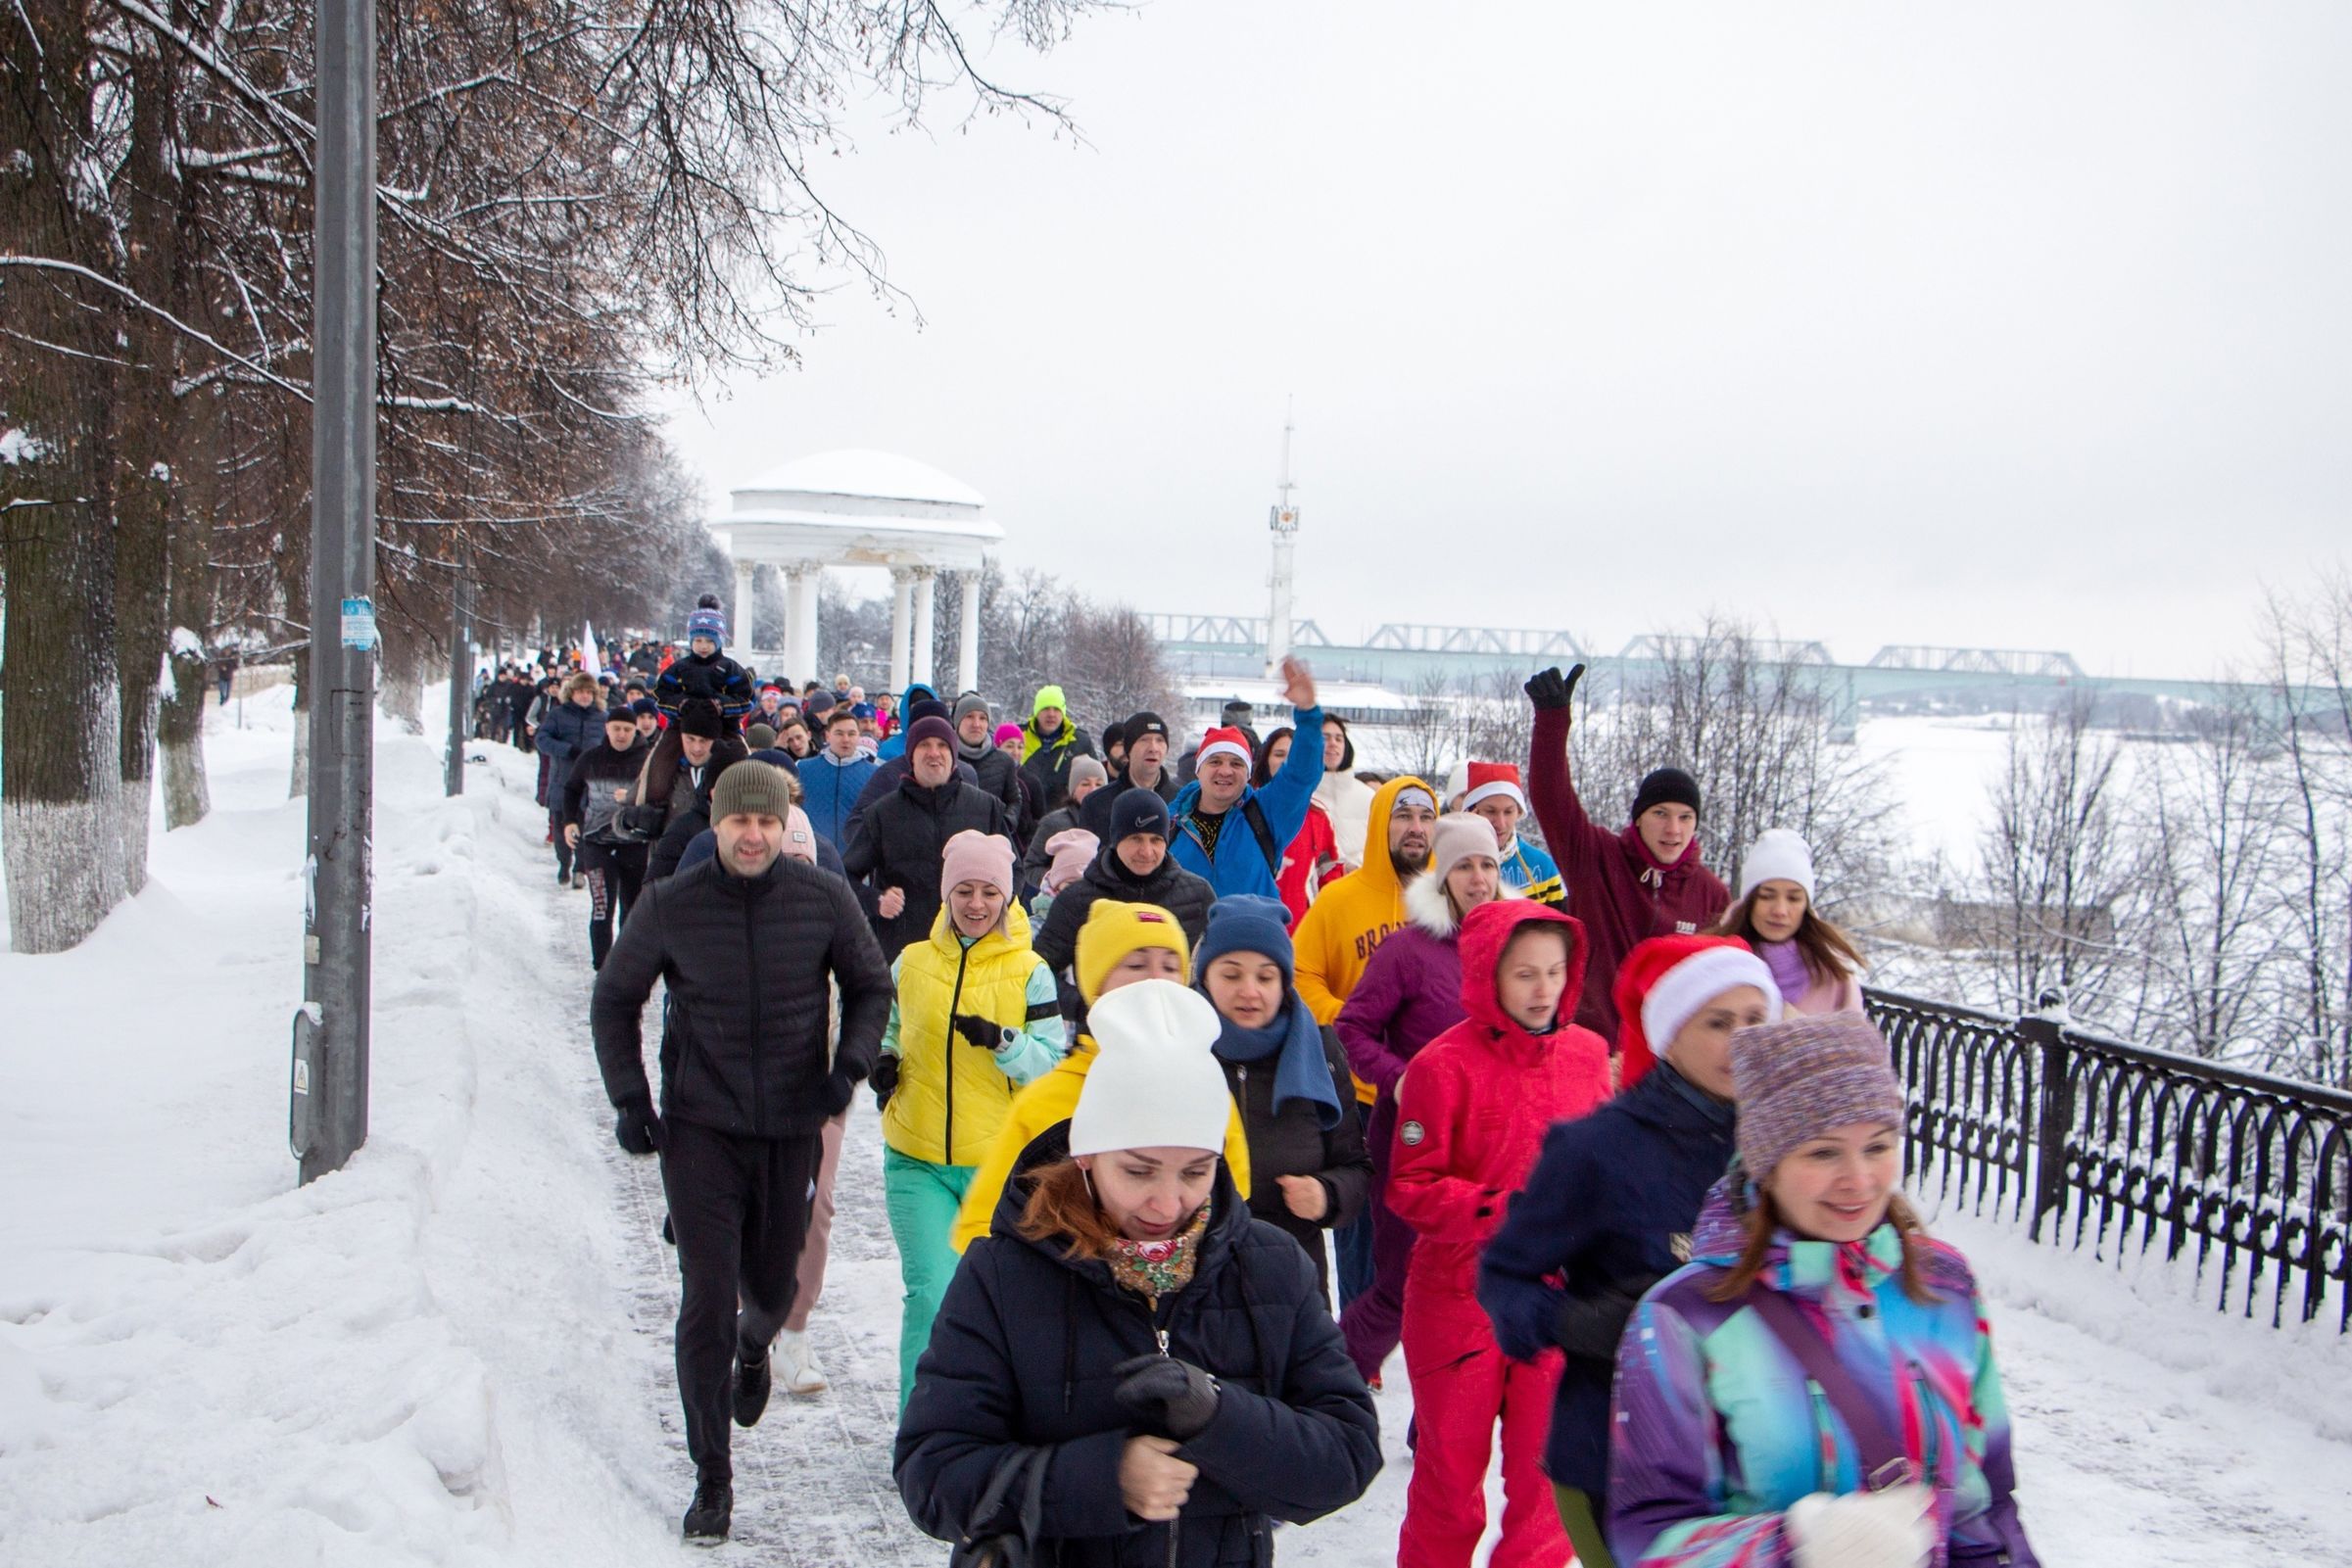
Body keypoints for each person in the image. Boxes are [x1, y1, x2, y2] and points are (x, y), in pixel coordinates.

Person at [897, 978, 1381, 1567]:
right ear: (1088, 1156)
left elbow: (1348, 1455)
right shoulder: (1003, 1275)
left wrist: (1218, 1414)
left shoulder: (1269, 1266)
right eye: (1138, 1171)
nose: (1167, 1204)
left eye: (1196, 1171)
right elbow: (932, 1471)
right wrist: (1104, 1480)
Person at [1608, 1013, 2040, 1568]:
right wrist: (1799, 1545)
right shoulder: (1685, 1316)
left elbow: (1985, 1505)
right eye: (1823, 1152)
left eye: (1878, 1146)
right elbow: (1645, 1540)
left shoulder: (1944, 1286)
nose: (1859, 1180)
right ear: (1768, 1162)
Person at [591, 761, 892, 1544]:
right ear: (718, 826)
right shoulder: (672, 902)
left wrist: (848, 1066)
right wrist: (632, 1098)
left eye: (766, 822)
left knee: (769, 1288)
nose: (753, 835)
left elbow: (870, 985)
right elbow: (616, 997)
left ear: (782, 825)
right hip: (701, 1126)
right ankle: (712, 1478)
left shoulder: (821, 896)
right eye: (738, 822)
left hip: (792, 1121)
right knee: (704, 1296)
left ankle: (756, 1347)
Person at [1476, 936, 1779, 1567]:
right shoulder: (1597, 1151)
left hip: (1761, 1459)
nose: (1742, 1041)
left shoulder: (1787, 1147)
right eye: (1717, 1022)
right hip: (1618, 1460)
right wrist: (1579, 1323)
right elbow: (1504, 1279)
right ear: (1670, 1033)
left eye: (1755, 1020)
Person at [1388, 900, 1610, 1568]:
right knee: (1449, 1488)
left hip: (1556, 1305)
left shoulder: (1587, 1055)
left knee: (1546, 1489)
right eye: (1523, 974)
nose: (1542, 990)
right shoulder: (1439, 1065)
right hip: (1458, 1300)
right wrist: (1508, 1212)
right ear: (1488, 974)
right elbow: (1410, 1186)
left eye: (1553, 971)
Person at [872, 832, 1067, 1402]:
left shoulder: (1031, 972)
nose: (976, 904)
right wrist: (882, 1062)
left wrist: (1006, 1042)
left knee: (994, 1306)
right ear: (945, 894)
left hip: (998, 1168)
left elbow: (1051, 1064)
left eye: (988, 892)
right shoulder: (910, 963)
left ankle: (987, 1429)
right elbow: (888, 1027)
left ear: (1007, 899)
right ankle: (918, 1430)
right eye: (964, 891)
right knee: (931, 1293)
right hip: (917, 1158)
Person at [951, 899, 1253, 1254]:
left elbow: (1235, 1208)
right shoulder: (1046, 1099)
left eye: (1171, 967)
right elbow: (980, 1228)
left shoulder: (1208, 1089)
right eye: (1137, 964)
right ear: (1095, 989)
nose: (1156, 980)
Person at [1335, 813, 1517, 1382]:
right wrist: (1401, 1077)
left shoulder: (1516, 946)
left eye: (1487, 865)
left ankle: (1433, 1422)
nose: (1479, 878)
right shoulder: (1408, 950)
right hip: (1412, 1135)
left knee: (1471, 1286)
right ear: (1442, 876)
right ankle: (1325, 1380)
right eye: (1465, 866)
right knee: (1401, 1284)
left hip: (1488, 1138)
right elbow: (1352, 1029)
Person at [1288, 775, 1439, 1306]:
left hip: (1437, 1096)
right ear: (1380, 823)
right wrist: (1348, 1022)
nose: (1416, 828)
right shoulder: (1339, 901)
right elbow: (1300, 974)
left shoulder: (1453, 901)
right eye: (1404, 816)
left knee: (1435, 1227)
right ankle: (1359, 1344)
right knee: (1363, 1230)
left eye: (1425, 816)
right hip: (1363, 1095)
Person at [1523, 664, 1733, 1036]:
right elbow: (1551, 799)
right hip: (1590, 1046)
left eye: (1686, 818)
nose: (1673, 829)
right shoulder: (1597, 858)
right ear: (1638, 818)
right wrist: (1553, 720)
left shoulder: (1710, 894)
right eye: (1661, 814)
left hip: (1666, 1062)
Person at [1195, 896, 1371, 1298]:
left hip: (1292, 1285)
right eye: (1232, 974)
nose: (1250, 991)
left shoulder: (1319, 1052)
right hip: (1198, 1288)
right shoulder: (1178, 1049)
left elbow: (1355, 1168)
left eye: (1266, 976)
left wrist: (1327, 1194)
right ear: (1205, 977)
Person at [843, 714, 1013, 959]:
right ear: (911, 756)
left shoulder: (986, 808)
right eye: (924, 745)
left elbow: (1013, 871)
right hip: (904, 951)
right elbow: (845, 875)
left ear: (954, 756)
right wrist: (875, 900)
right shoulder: (882, 813)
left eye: (942, 745)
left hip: (971, 950)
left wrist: (991, 904)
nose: (934, 752)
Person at [1168, 658, 1326, 902]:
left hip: (1252, 938)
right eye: (1215, 761)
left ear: (1249, 772)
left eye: (1236, 763)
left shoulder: (1265, 813)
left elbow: (1301, 776)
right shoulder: (1170, 822)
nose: (1225, 771)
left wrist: (1308, 714)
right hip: (1183, 940)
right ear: (1198, 769)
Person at [1034, 790, 1216, 997]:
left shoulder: (1198, 895)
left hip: (1173, 1024)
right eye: (1136, 839)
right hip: (1101, 1027)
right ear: (1115, 839)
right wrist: (1085, 1007)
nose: (1147, 851)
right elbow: (1038, 972)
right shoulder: (1078, 899)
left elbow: (1215, 970)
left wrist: (1189, 1004)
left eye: (1156, 840)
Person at [1713, 830, 1866, 1018]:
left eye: (1794, 898)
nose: (1780, 910)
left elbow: (1856, 1043)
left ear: (1806, 905)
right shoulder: (1714, 959)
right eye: (1767, 896)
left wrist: (1804, 1035)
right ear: (1749, 902)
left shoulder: (1833, 971)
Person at [561, 705, 655, 968]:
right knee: (601, 908)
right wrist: (569, 822)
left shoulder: (647, 760)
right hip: (596, 844)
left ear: (635, 730)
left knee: (632, 909)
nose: (621, 735)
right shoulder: (590, 758)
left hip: (634, 844)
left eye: (627, 730)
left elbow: (659, 799)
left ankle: (624, 968)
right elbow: (571, 790)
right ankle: (602, 967)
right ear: (607, 729)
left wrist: (634, 800)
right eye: (616, 729)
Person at [631, 699, 748, 881]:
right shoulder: (662, 771)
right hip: (668, 869)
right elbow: (623, 815)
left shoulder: (731, 769)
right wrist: (632, 819)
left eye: (704, 741)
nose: (696, 748)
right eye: (690, 739)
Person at [1253, 727, 1346, 927]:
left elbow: (1331, 878)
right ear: (1265, 760)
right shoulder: (1243, 808)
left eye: (1294, 756)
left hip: (1297, 932)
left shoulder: (1318, 817)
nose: (1287, 762)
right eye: (1279, 754)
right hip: (1247, 923)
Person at [538, 672, 607, 885]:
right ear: (572, 693)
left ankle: (580, 869)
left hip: (591, 784)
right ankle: (564, 862)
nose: (585, 696)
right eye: (580, 692)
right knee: (561, 828)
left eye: (589, 692)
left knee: (586, 829)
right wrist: (567, 750)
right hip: (564, 781)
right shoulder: (558, 715)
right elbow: (542, 739)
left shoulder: (602, 717)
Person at [1462, 762, 1564, 905]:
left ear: (1519, 812)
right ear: (1471, 812)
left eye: (1508, 812)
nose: (1500, 823)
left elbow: (1560, 926)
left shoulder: (1542, 867)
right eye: (1491, 811)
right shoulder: (1451, 865)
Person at [654, 594, 754, 723]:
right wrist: (680, 704)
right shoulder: (679, 668)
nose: (703, 646)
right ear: (691, 640)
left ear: (719, 642)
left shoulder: (730, 668)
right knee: (667, 743)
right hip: (682, 726)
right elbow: (662, 695)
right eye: (698, 640)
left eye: (710, 641)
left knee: (736, 744)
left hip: (723, 729)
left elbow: (745, 699)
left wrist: (721, 705)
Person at [1079, 709, 1176, 839]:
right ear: (1128, 749)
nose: (1153, 748)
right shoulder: (1096, 803)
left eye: (1160, 740)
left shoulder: (1184, 801)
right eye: (1144, 740)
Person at [1021, 752, 1108, 894]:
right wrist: (1057, 880)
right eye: (1085, 784)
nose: (1093, 790)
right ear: (1072, 790)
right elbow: (1031, 866)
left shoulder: (1113, 822)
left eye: (1099, 784)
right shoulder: (1054, 823)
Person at [801, 704, 878, 851]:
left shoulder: (875, 774)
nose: (846, 739)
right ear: (827, 735)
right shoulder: (803, 769)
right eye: (839, 733)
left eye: (851, 734)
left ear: (858, 736)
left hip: (857, 859)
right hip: (814, 856)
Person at [949, 691, 1027, 835]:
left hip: (993, 840)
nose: (976, 724)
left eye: (983, 718)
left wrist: (1005, 824)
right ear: (957, 721)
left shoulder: (1003, 761)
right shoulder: (947, 758)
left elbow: (1014, 800)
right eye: (969, 716)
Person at [1018, 683, 1097, 810]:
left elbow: (1095, 780)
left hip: (1066, 816)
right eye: (1045, 709)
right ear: (1036, 712)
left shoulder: (1079, 742)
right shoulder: (1019, 737)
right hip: (1025, 816)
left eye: (1056, 709)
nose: (1051, 714)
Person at [1311, 715, 1375, 870]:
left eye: (1339, 739)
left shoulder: (1368, 796)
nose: (1333, 744)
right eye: (1325, 738)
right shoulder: (1302, 796)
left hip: (1359, 885)